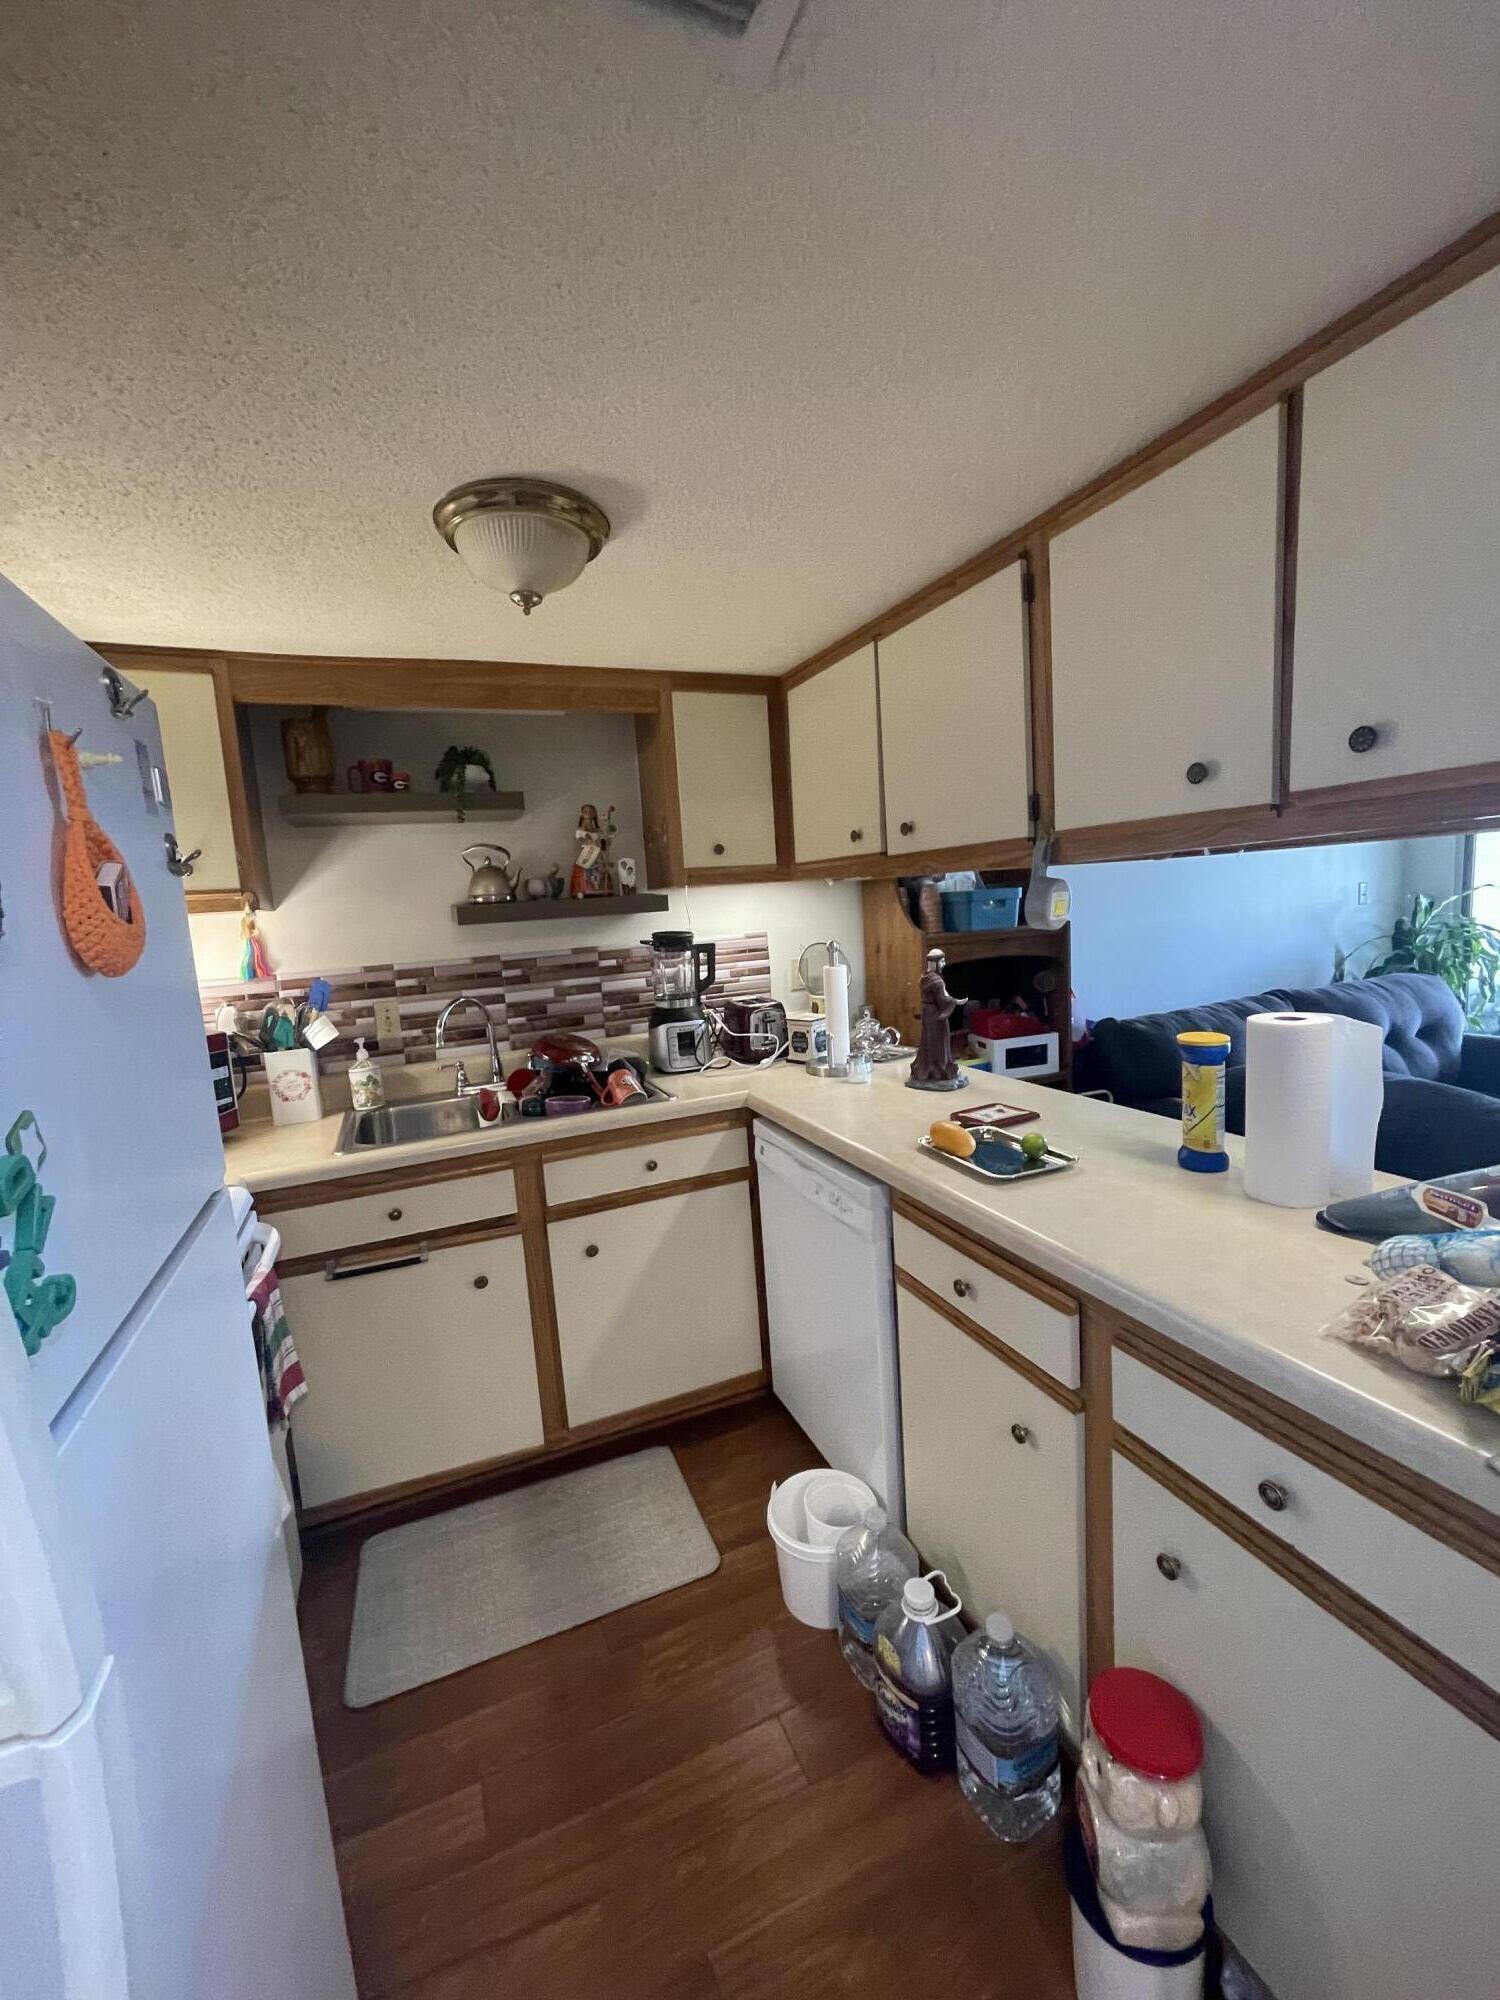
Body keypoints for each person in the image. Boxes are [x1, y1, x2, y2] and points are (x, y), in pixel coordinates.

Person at [908, 948, 963, 1089]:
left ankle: (927, 1067)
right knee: (939, 1041)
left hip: (927, 1013)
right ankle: (939, 1070)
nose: (944, 964)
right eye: (942, 961)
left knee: (928, 1040)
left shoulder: (924, 978)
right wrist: (956, 1002)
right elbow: (943, 998)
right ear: (936, 962)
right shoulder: (937, 981)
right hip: (936, 1015)